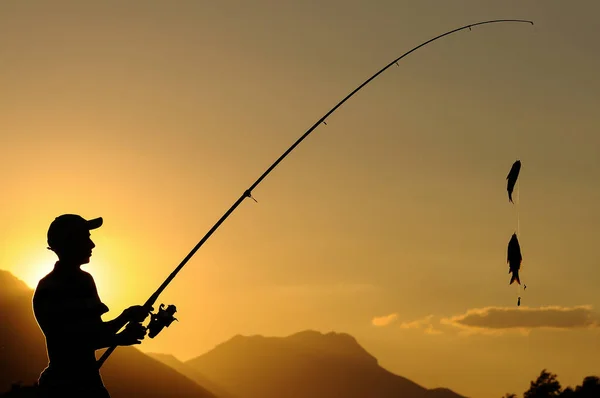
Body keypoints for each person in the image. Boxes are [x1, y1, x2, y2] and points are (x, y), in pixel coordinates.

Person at [32, 214, 151, 398]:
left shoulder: (84, 280)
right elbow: (74, 340)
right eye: (85, 237)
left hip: (88, 383)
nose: (92, 244)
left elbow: (93, 331)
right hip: (65, 389)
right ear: (70, 242)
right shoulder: (52, 288)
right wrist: (119, 338)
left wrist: (126, 316)